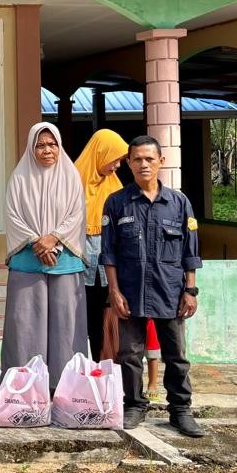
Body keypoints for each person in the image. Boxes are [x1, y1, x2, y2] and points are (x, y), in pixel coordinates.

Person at [101, 136, 206, 437]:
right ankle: (134, 405)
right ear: (130, 163)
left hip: (170, 292)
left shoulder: (178, 203)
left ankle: (181, 411)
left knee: (176, 355)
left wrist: (191, 290)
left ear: (161, 161)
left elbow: (191, 250)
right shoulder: (117, 203)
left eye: (149, 159)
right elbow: (109, 253)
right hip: (130, 292)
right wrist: (114, 291)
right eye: (137, 159)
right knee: (129, 354)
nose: (143, 164)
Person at [1, 122, 88, 387]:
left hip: (65, 261)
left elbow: (77, 214)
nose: (47, 150)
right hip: (28, 260)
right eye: (40, 145)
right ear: (31, 148)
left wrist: (53, 241)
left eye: (52, 144)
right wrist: (36, 242)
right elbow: (12, 215)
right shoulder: (20, 177)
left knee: (66, 327)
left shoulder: (71, 176)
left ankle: (64, 387)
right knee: (25, 326)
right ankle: (24, 386)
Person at [73, 128, 129, 361]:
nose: (117, 166)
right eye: (114, 159)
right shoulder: (72, 182)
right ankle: (76, 373)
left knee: (104, 324)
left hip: (107, 270)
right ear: (101, 153)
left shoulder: (116, 187)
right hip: (78, 265)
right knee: (78, 322)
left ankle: (102, 370)